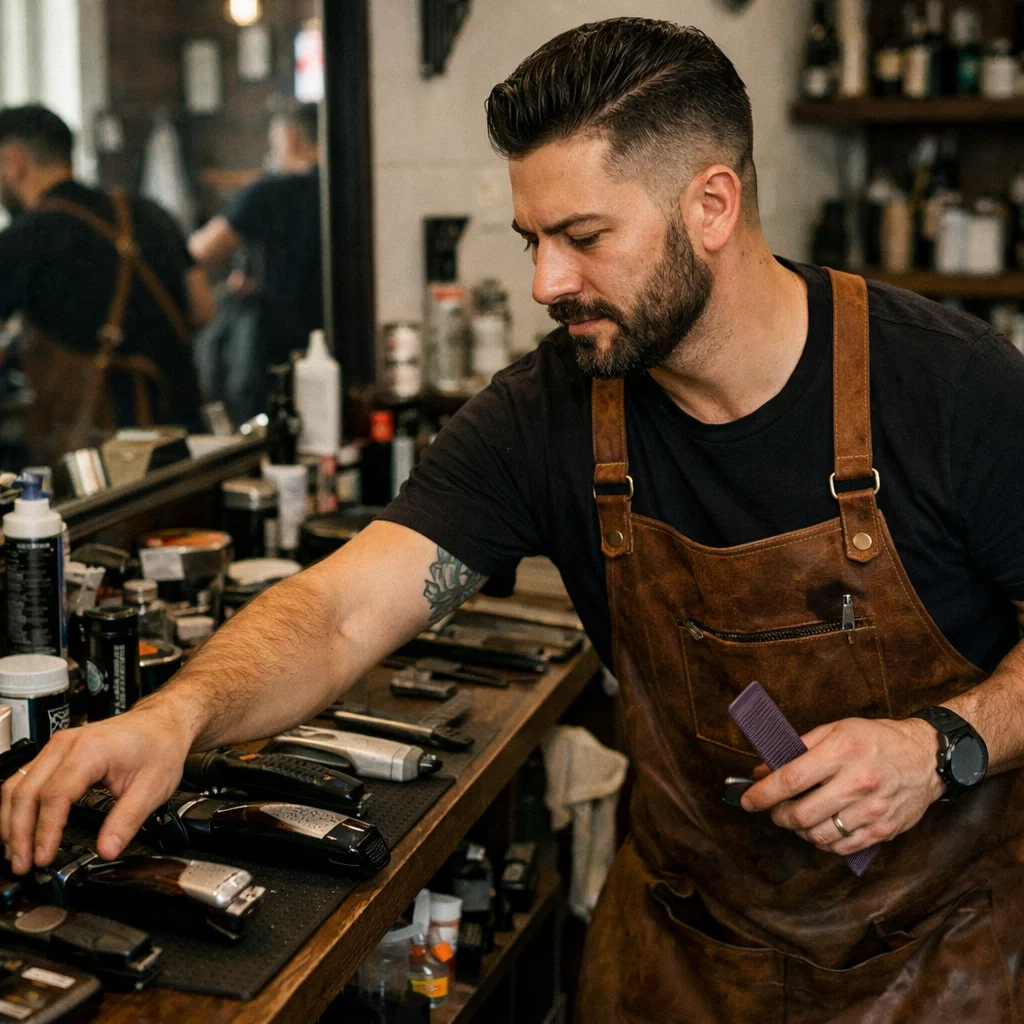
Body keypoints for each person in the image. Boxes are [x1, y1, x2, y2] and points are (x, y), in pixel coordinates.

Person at [4, 19, 1024, 1020]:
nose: (545, 283)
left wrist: (938, 746)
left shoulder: (948, 387)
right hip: (685, 960)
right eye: (533, 240)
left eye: (583, 238)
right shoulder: (552, 410)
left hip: (949, 959)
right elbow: (343, 613)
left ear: (712, 203)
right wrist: (172, 717)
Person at [0, 105, 209, 462]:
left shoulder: (25, 237)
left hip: (107, 457)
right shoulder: (147, 211)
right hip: (185, 437)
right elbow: (204, 307)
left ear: (14, 160)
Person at [189, 101, 323, 422]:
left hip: (273, 346)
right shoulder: (344, 187)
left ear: (290, 137)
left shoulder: (269, 192)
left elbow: (202, 250)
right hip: (334, 338)